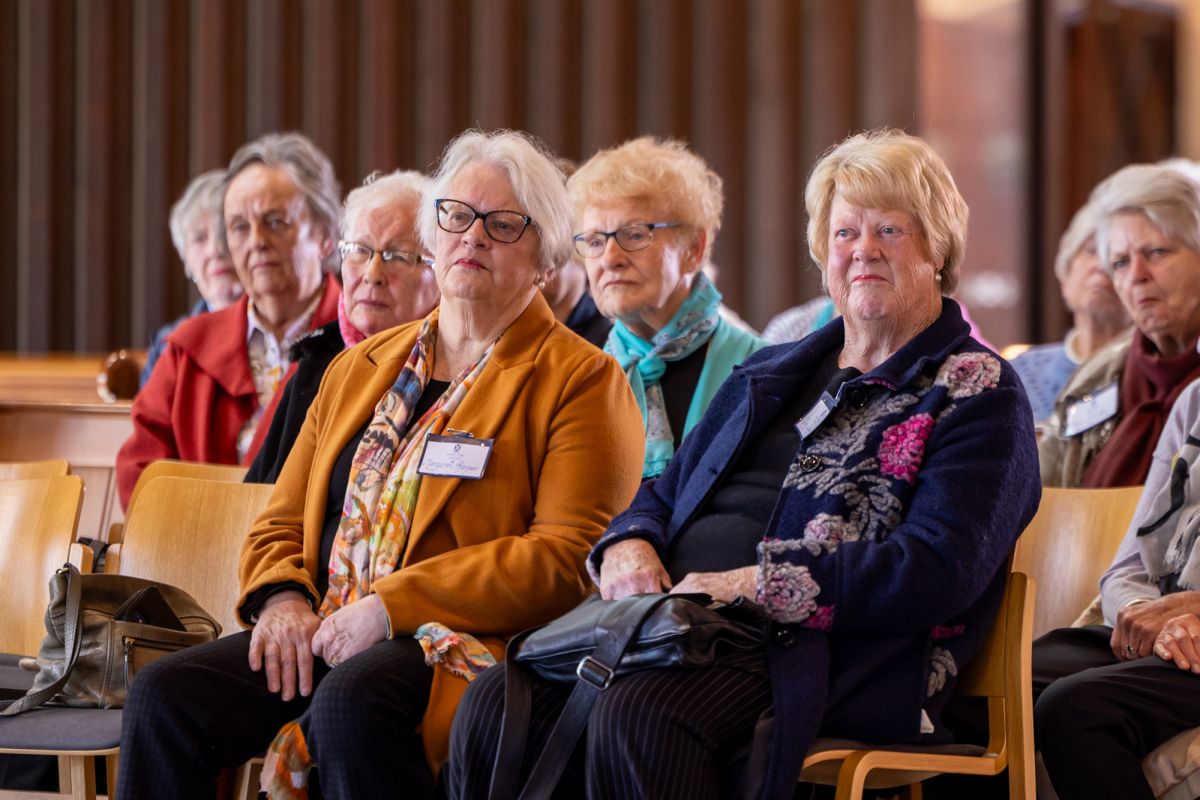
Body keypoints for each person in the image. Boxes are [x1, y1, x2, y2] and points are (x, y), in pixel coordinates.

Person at [447, 128, 1041, 800]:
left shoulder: (973, 388)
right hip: (682, 627)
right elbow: (661, 495)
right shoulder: (772, 371)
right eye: (845, 234)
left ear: (938, 250)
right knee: (496, 702)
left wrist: (754, 583)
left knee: (638, 716)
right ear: (824, 255)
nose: (864, 251)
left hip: (828, 653)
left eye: (891, 231)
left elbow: (937, 570)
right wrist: (630, 546)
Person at [115, 129, 645, 800]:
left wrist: (389, 607)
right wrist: (281, 600)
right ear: (434, 233)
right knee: (166, 697)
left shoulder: (582, 380)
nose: (473, 237)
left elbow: (566, 561)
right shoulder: (359, 367)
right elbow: (279, 520)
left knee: (350, 703)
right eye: (456, 216)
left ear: (544, 257)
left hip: (464, 646)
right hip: (326, 623)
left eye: (503, 224)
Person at [116, 132, 343, 509]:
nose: (256, 240)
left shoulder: (366, 340)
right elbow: (140, 473)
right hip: (189, 557)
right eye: (239, 227)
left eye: (275, 221)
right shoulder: (189, 349)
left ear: (324, 235)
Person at [1034, 377, 1200, 798]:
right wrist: (1147, 614)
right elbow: (1127, 567)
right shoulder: (1195, 399)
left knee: (1076, 708)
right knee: (990, 687)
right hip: (1168, 628)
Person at [567, 135, 768, 479]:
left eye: (634, 235)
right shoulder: (574, 378)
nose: (610, 258)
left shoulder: (764, 371)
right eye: (596, 241)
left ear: (693, 247)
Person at [245, 169, 440, 484]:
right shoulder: (314, 365)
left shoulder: (454, 373)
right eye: (360, 251)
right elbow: (259, 499)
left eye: (398, 256)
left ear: (441, 273)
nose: (372, 273)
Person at [1039, 164, 1200, 488]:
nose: (1136, 276)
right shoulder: (1096, 376)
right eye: (1121, 262)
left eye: (1156, 252)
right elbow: (1044, 493)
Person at [1009, 201, 1130, 423]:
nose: (1101, 266)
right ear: (1065, 275)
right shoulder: (1020, 371)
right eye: (1092, 251)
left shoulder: (1150, 376)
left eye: (1118, 257)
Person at [141, 170, 245, 386]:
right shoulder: (168, 345)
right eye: (199, 238)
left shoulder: (280, 336)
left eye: (224, 233)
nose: (215, 250)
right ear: (186, 261)